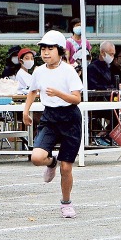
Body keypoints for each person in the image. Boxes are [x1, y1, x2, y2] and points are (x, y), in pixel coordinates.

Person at [23, 30, 83, 219]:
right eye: (43, 49)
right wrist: (26, 111)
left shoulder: (68, 70)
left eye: (50, 48)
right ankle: (52, 162)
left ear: (60, 50)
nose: (46, 52)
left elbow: (76, 98)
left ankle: (66, 203)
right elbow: (32, 91)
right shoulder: (39, 71)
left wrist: (59, 94)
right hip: (49, 117)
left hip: (70, 118)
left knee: (67, 167)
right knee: (36, 157)